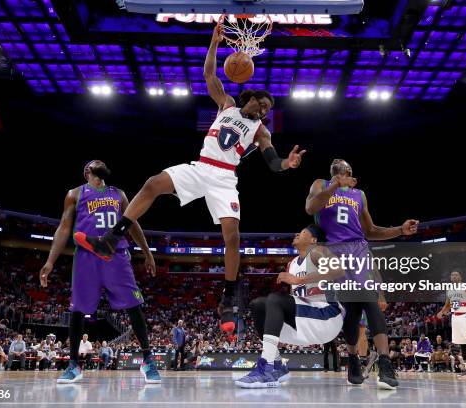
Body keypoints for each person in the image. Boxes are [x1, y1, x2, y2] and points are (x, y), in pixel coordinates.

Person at [73, 24, 306, 333]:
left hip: (224, 178)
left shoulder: (261, 131)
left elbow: (272, 160)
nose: (263, 111)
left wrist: (287, 164)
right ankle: (111, 239)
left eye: (267, 110)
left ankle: (230, 295)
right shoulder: (227, 104)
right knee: (152, 183)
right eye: (261, 104)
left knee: (232, 237)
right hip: (200, 166)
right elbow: (210, 75)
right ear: (249, 98)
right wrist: (213, 44)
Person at [39, 160, 160, 384]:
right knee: (77, 310)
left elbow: (132, 223)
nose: (101, 163)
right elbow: (64, 227)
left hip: (117, 255)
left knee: (134, 306)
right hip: (86, 257)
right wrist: (50, 261)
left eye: (102, 162)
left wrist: (147, 252)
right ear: (87, 171)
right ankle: (73, 365)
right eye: (96, 162)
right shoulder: (75, 194)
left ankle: (148, 360)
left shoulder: (119, 194)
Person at [305, 159, 419, 390]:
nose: (337, 160)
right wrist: (334, 186)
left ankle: (385, 364)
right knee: (353, 311)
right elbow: (311, 208)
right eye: (335, 163)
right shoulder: (321, 183)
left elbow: (371, 231)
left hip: (359, 249)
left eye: (343, 164)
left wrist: (399, 230)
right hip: (334, 251)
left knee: (370, 301)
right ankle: (353, 359)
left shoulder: (360, 194)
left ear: (350, 173)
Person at [236, 225, 345, 388]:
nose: (296, 234)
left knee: (275, 299)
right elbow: (294, 299)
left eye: (302, 232)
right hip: (306, 322)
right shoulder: (292, 264)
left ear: (313, 240)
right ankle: (278, 365)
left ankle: (267, 367)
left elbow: (339, 270)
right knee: (258, 305)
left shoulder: (318, 251)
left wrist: (300, 280)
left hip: (327, 316)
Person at [436, 271, 466, 377]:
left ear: (460, 277)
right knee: (462, 344)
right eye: (452, 275)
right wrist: (442, 311)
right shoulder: (449, 290)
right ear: (450, 277)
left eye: (456, 274)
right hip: (455, 317)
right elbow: (448, 304)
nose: (454, 276)